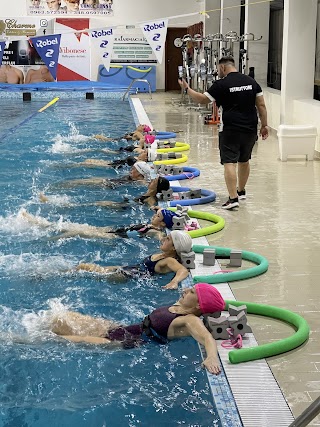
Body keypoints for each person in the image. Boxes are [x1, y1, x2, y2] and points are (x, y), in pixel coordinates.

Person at [50, 283, 225, 374]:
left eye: (192, 292)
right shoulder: (180, 305)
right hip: (128, 328)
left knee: (65, 340)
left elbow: (206, 337)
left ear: (198, 305)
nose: (186, 290)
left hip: (130, 341)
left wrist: (211, 358)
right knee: (65, 317)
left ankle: (27, 340)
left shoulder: (190, 320)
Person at [179, 56, 269, 210]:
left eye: (218, 69)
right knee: (244, 160)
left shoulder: (221, 84)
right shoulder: (251, 82)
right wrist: (265, 125)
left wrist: (187, 89)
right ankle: (241, 191)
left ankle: (233, 198)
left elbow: (202, 100)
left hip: (230, 129)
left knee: (229, 162)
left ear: (222, 68)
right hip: (250, 128)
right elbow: (261, 105)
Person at [76, 230, 192, 290]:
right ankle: (62, 273)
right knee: (83, 267)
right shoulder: (163, 254)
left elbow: (183, 270)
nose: (163, 240)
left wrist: (174, 281)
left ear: (173, 247)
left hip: (126, 276)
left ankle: (61, 274)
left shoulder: (169, 260)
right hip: (128, 269)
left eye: (167, 239)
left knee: (84, 271)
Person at [20, 207, 178, 241]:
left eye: (157, 216)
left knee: (76, 233)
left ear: (163, 223)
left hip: (115, 237)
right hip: (115, 230)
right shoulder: (152, 225)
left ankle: (45, 241)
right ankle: (39, 223)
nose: (153, 215)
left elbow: (162, 239)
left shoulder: (155, 232)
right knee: (72, 226)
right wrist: (160, 209)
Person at [39, 176, 171, 209]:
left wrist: (158, 209)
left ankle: (57, 203)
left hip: (122, 207)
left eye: (155, 180)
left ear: (156, 186)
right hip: (124, 203)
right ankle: (56, 203)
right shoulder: (147, 191)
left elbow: (153, 206)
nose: (152, 180)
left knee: (92, 204)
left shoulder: (150, 198)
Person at [54, 161, 152, 189]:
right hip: (111, 181)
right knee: (85, 181)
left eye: (134, 169)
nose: (131, 170)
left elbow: (146, 184)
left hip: (109, 185)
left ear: (140, 173)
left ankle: (61, 187)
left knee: (82, 182)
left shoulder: (140, 182)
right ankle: (63, 186)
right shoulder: (134, 176)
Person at [58, 146, 157, 169]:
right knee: (87, 160)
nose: (143, 151)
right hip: (112, 162)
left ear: (147, 157)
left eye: (145, 152)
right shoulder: (139, 159)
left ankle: (65, 166)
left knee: (84, 163)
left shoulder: (139, 163)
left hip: (111, 166)